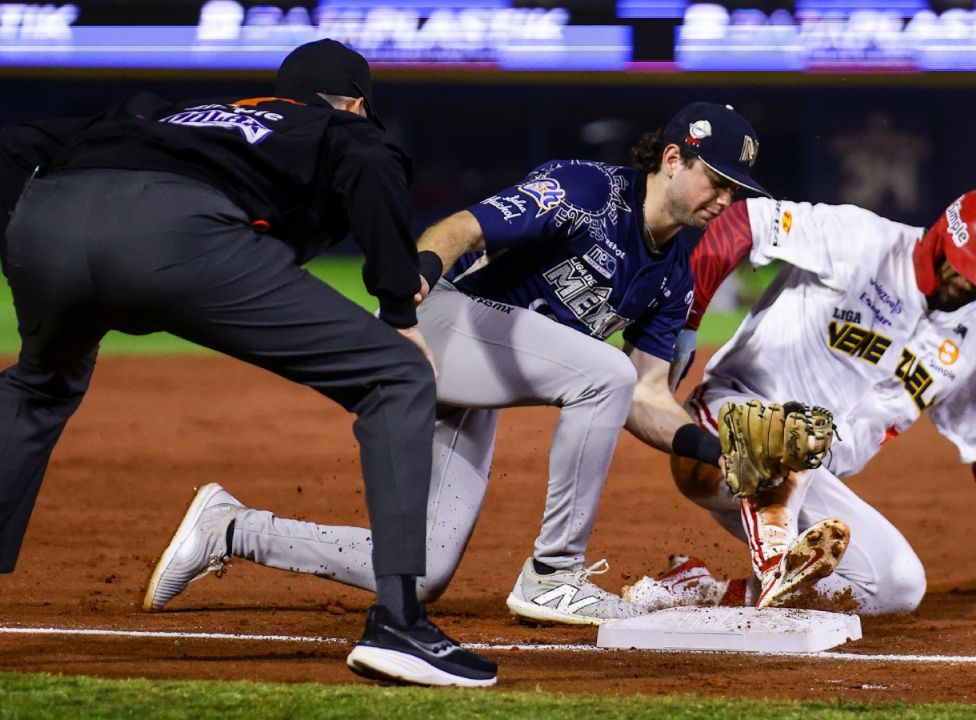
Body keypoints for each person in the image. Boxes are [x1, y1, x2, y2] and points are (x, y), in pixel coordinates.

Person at [145, 102, 813, 625]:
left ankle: (230, 528)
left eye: (736, 189)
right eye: (717, 179)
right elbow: (460, 229)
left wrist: (713, 447)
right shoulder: (585, 191)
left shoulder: (676, 278)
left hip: (492, 371)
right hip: (446, 325)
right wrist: (412, 297)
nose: (726, 199)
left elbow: (645, 393)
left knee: (425, 571)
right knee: (597, 373)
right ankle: (554, 575)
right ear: (673, 158)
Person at [0, 39, 497, 687]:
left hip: (47, 223)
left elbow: (13, 145)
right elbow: (373, 162)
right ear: (353, 103)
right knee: (395, 373)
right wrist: (399, 312)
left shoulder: (171, 111)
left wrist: (34, 232)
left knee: (37, 388)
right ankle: (400, 627)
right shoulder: (334, 124)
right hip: (176, 233)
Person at [625, 188, 976, 615]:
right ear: (943, 236)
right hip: (726, 432)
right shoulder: (862, 240)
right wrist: (686, 326)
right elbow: (744, 221)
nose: (971, 285)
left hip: (808, 478)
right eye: (967, 268)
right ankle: (776, 566)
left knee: (898, 587)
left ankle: (700, 590)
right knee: (794, 434)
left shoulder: (975, 341)